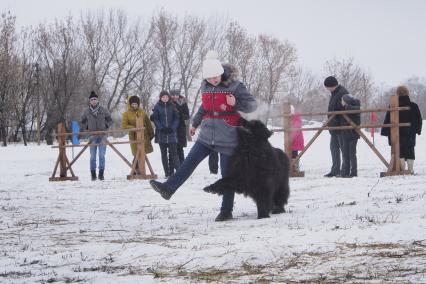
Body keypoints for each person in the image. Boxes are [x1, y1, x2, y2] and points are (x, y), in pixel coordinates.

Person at [149, 50, 257, 222]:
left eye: (216, 77)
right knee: (188, 163)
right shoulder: (205, 85)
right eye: (209, 78)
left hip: (228, 136)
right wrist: (195, 123)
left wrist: (235, 103)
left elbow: (252, 106)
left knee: (226, 176)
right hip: (206, 135)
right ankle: (168, 189)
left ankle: (226, 211)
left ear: (221, 72)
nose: (213, 80)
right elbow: (204, 107)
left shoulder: (235, 86)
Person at [381, 86, 422, 174]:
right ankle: (410, 170)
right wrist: (417, 130)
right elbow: (419, 120)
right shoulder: (414, 106)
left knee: (400, 151)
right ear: (407, 93)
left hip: (397, 134)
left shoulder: (392, 106)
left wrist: (386, 131)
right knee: (410, 150)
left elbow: (387, 120)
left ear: (397, 93)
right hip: (410, 133)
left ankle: (402, 170)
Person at [80, 90, 113, 181]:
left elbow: (110, 120)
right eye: (92, 99)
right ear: (89, 101)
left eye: (95, 99)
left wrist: (106, 125)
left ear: (98, 100)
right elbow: (82, 122)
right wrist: (87, 127)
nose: (93, 101)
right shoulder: (86, 111)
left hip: (102, 135)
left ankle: (101, 174)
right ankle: (93, 174)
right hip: (92, 136)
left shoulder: (103, 110)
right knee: (92, 156)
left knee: (102, 155)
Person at [121, 95, 154, 173]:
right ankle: (135, 171)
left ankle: (138, 171)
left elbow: (148, 123)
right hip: (133, 136)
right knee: (136, 153)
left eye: (136, 104)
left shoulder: (142, 112)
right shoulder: (126, 114)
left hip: (144, 136)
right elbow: (124, 125)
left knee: (142, 153)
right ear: (130, 104)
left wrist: (151, 133)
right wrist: (134, 127)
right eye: (133, 104)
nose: (134, 106)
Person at [323, 76, 348, 177]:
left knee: (343, 149)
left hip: (341, 126)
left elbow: (344, 108)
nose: (327, 89)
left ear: (331, 85)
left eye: (327, 87)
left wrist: (335, 119)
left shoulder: (343, 93)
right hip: (334, 127)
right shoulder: (334, 93)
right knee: (334, 149)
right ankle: (335, 170)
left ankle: (344, 170)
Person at [152, 91, 181, 178]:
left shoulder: (172, 106)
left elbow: (177, 118)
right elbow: (155, 119)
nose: (165, 98)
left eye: (166, 97)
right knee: (164, 155)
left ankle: (179, 172)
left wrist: (173, 128)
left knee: (174, 154)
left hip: (172, 133)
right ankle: (167, 173)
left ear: (168, 98)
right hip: (162, 134)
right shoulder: (157, 106)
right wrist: (161, 128)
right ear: (160, 98)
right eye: (163, 97)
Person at [340, 94, 361, 177]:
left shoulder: (355, 106)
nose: (342, 102)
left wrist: (346, 107)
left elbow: (357, 109)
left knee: (352, 153)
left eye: (343, 101)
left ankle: (354, 172)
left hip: (353, 133)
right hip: (345, 133)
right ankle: (346, 172)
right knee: (345, 153)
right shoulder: (345, 107)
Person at [170, 89, 190, 165]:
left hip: (180, 127)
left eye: (176, 95)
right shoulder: (168, 103)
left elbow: (187, 115)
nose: (175, 97)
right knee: (172, 149)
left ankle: (182, 165)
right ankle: (173, 167)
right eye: (173, 95)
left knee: (180, 148)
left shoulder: (183, 103)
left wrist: (180, 115)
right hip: (171, 128)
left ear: (179, 95)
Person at [290, 105, 304, 171]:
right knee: (292, 153)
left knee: (294, 153)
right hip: (292, 140)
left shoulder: (296, 118)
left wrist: (291, 138)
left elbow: (296, 130)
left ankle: (295, 168)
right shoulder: (292, 118)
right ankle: (293, 167)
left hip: (296, 140)